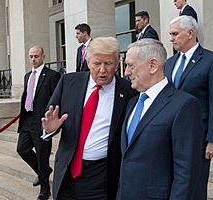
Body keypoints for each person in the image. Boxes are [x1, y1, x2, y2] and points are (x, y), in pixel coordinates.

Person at [41, 37, 138, 200]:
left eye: (108, 63)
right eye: (96, 64)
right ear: (87, 62)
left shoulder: (128, 92)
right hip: (67, 173)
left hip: (101, 177)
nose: (102, 70)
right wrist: (49, 129)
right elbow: (49, 118)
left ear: (117, 63)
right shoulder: (68, 82)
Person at [117, 38, 203, 200]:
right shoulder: (133, 103)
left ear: (153, 65)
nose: (126, 72)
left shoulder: (184, 105)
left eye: (131, 65)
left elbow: (186, 172)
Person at [165, 16, 213, 200]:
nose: (171, 38)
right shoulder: (169, 63)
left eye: (175, 34)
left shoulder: (212, 61)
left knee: (196, 186)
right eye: (170, 34)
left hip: (198, 137)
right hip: (170, 134)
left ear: (190, 33)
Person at [17, 45, 61, 200]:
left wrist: (52, 120)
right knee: (22, 149)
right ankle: (43, 172)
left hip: (42, 120)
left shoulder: (52, 76)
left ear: (43, 56)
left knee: (42, 156)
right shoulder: (27, 76)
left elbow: (56, 99)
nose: (33, 59)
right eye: (31, 57)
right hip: (27, 119)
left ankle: (45, 189)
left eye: (36, 56)